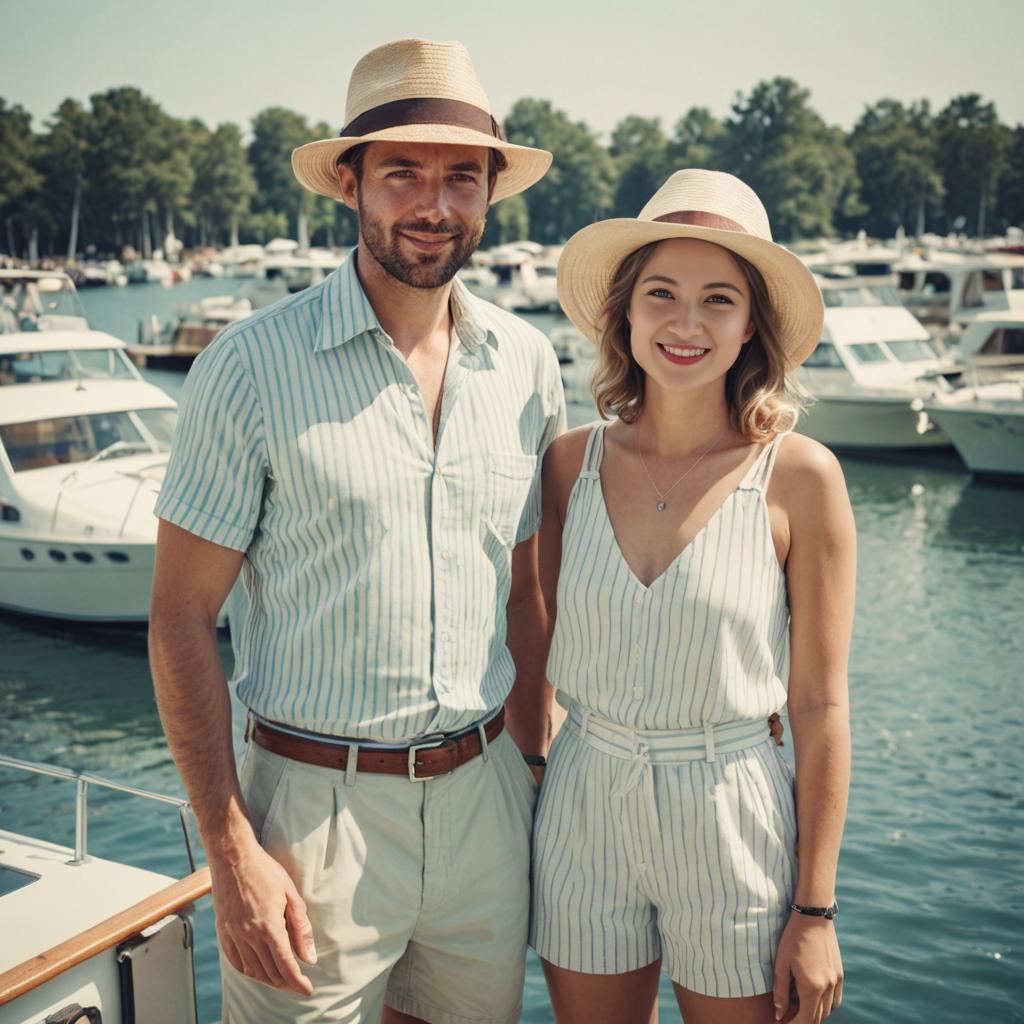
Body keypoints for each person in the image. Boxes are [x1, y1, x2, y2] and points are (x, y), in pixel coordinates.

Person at [149, 38, 563, 1024]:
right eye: (402, 174)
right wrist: (230, 846)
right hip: (307, 814)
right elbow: (178, 619)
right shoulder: (248, 367)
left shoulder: (527, 364)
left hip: (484, 801)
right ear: (350, 185)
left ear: (491, 193)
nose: (434, 204)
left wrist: (534, 773)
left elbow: (523, 593)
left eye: (461, 176)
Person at [530, 170, 854, 1024]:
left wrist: (815, 912)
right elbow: (536, 647)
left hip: (733, 812)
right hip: (584, 803)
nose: (685, 323)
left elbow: (820, 704)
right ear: (625, 314)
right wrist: (537, 769)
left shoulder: (801, 479)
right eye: (661, 295)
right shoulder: (568, 466)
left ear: (752, 328)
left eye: (718, 300)